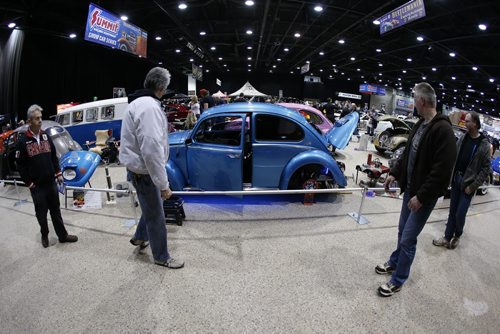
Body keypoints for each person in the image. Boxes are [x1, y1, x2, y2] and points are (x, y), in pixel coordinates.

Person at [376, 82, 457, 297]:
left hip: (423, 197)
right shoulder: (420, 124)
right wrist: (394, 172)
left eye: (414, 99)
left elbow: (442, 172)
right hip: (410, 191)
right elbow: (407, 156)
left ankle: (398, 279)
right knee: (402, 232)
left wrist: (421, 197)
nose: (413, 103)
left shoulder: (444, 130)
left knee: (408, 238)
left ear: (421, 101)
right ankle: (395, 262)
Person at [120, 67, 184, 269]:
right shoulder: (149, 108)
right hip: (145, 171)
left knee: (150, 207)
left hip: (138, 169)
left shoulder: (139, 103)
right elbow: (151, 149)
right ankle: (162, 256)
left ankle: (140, 237)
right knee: (157, 214)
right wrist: (163, 184)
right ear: (162, 88)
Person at [16, 104, 78, 248]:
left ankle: (62, 236)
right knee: (41, 214)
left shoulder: (46, 136)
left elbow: (53, 156)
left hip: (51, 183)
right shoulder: (22, 142)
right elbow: (20, 165)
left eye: (40, 118)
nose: (40, 121)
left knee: (56, 211)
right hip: (37, 187)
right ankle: (44, 233)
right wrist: (29, 183)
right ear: (29, 121)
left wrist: (58, 173)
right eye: (37, 118)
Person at [433, 112, 491, 249]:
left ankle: (457, 235)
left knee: (460, 214)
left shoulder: (483, 144)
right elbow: (454, 156)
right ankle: (447, 238)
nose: (465, 123)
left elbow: (486, 169)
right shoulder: (463, 138)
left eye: (468, 121)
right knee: (452, 211)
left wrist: (473, 186)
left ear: (475, 124)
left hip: (468, 185)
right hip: (456, 179)